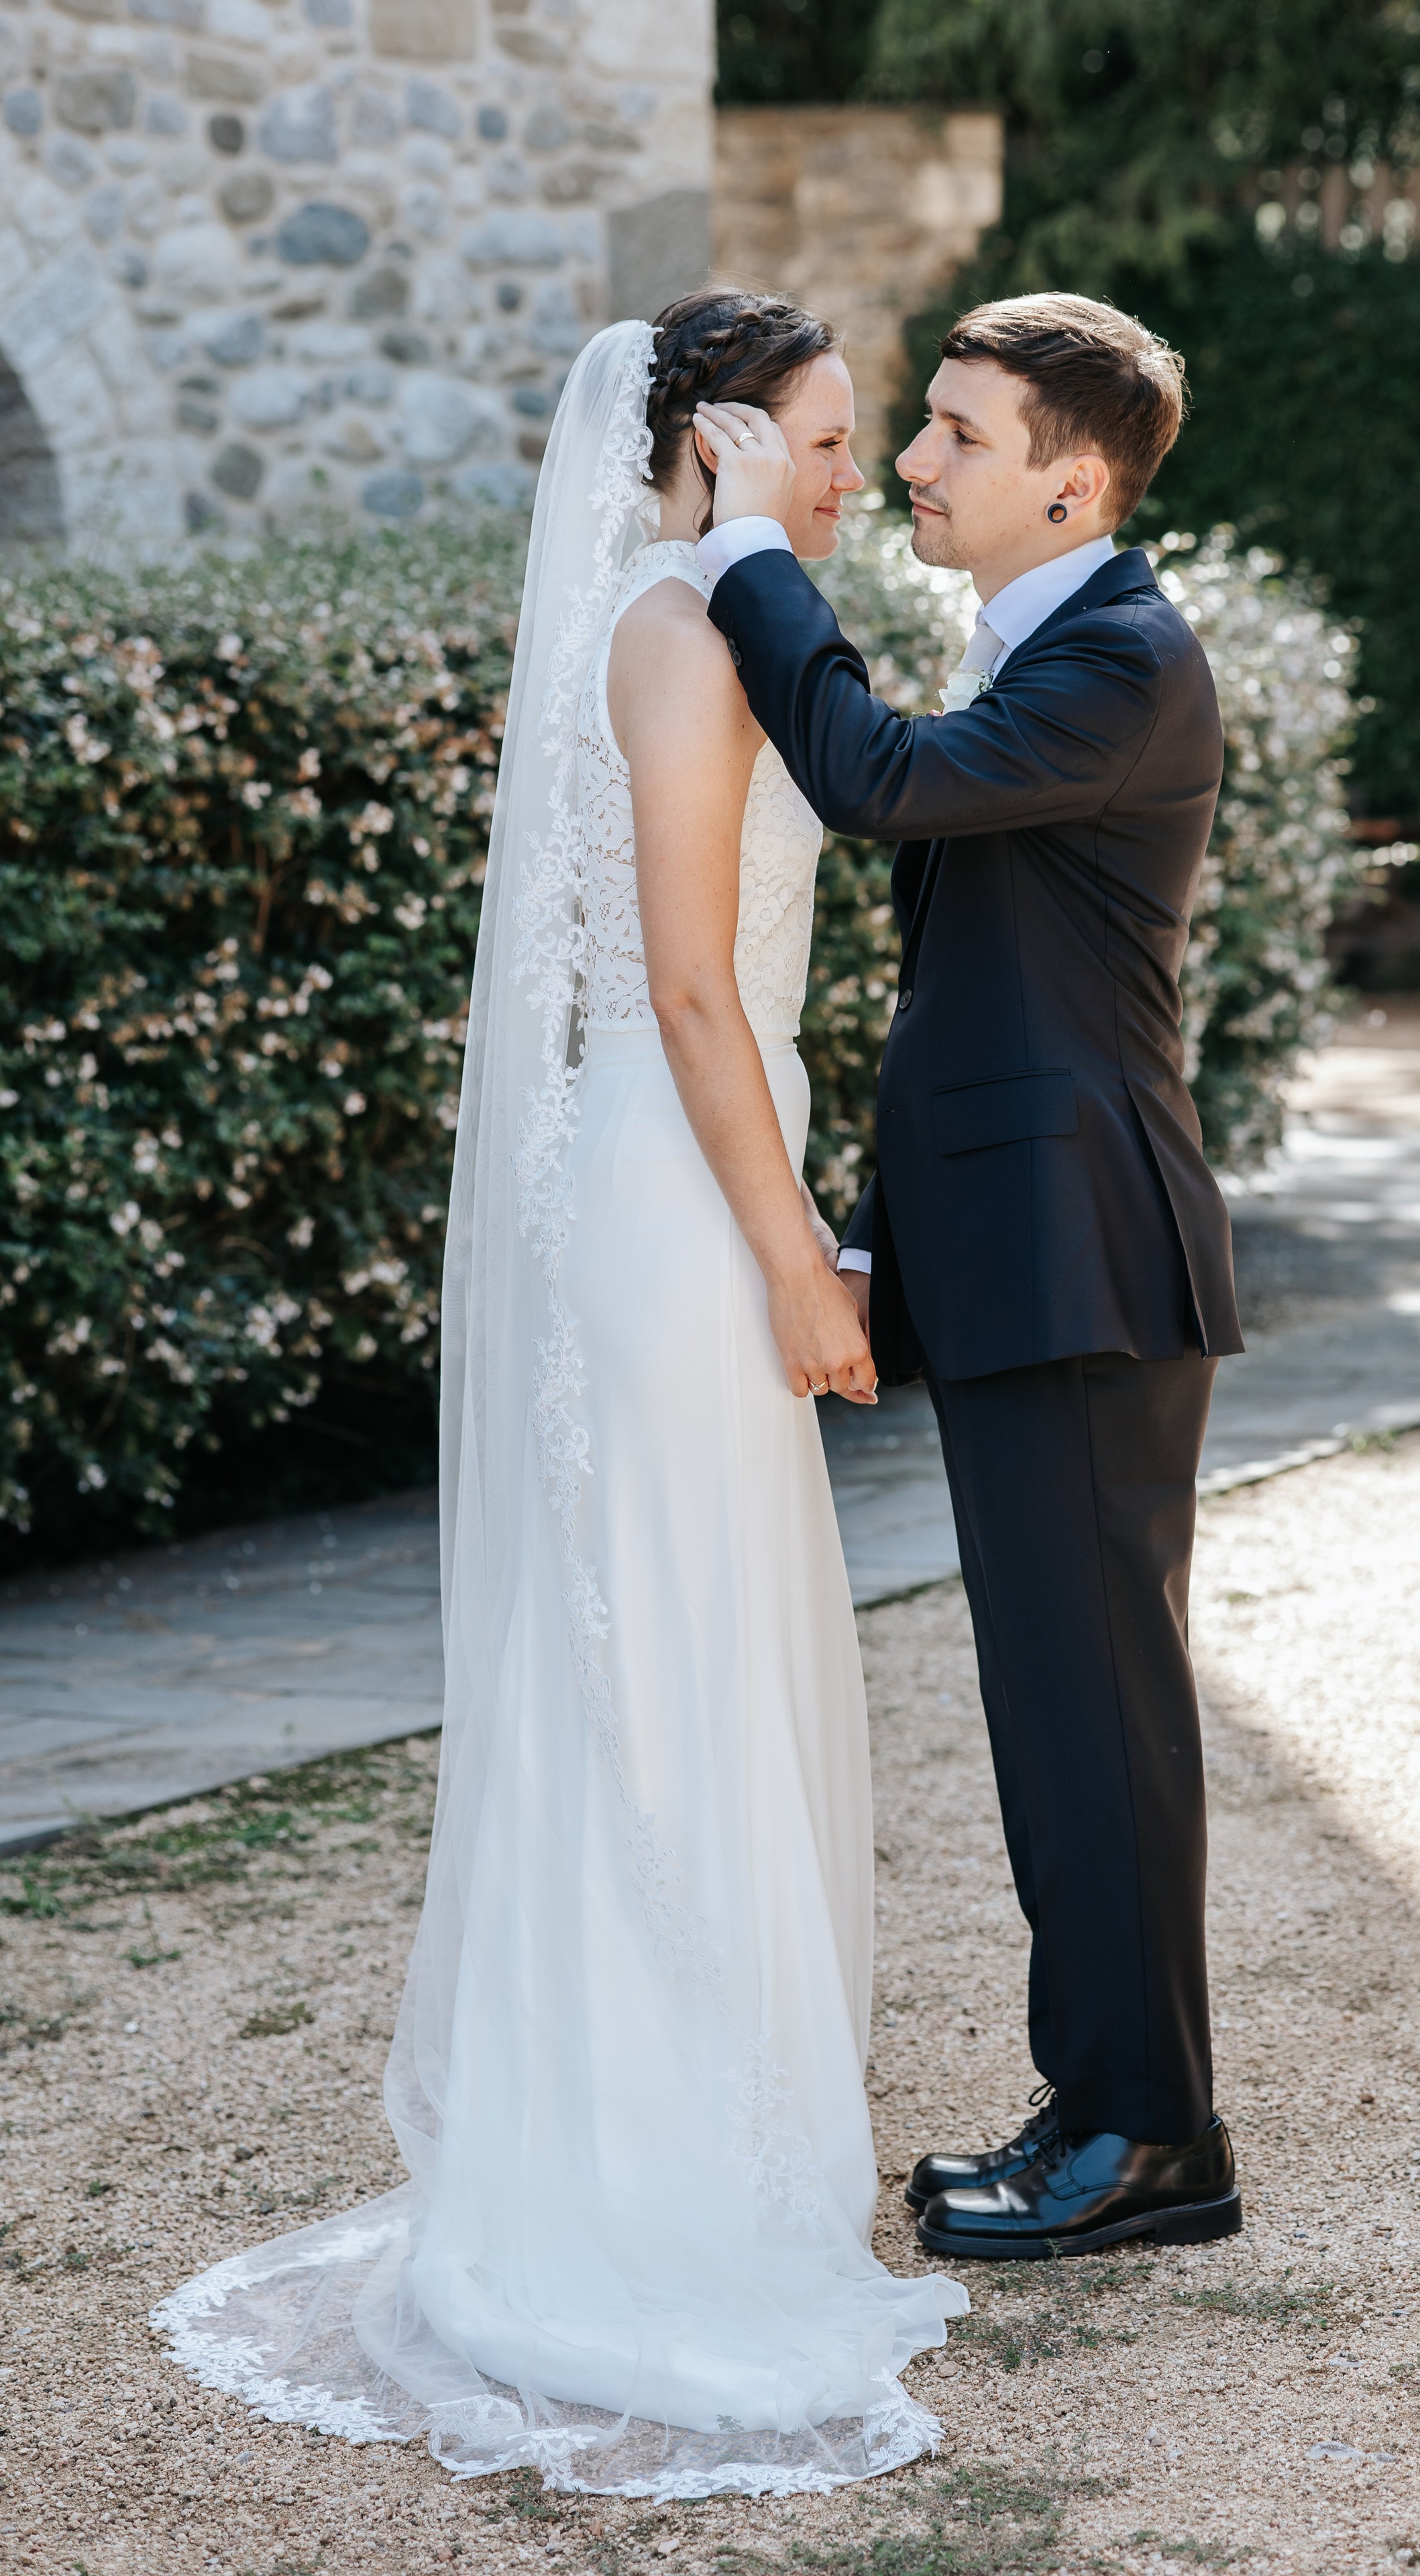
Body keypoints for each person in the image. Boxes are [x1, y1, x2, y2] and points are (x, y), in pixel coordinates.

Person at [153, 293, 965, 2500]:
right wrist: (802, 1251)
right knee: (667, 1665)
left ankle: (697, 2144)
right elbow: (693, 988)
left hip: (699, 1157)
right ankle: (647, 2191)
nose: (843, 464)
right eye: (817, 431)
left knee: (681, 1650)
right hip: (691, 1180)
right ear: (709, 436)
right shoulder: (687, 637)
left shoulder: (695, 613)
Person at [692, 290, 1245, 2261]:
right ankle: (1100, 2102)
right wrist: (875, 1249)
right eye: (917, 427)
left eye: (956, 433)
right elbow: (984, 1018)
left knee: (1095, 1716)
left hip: (1091, 1271)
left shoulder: (1123, 659)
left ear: (1070, 479)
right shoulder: (1058, 648)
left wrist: (747, 553)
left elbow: (877, 780)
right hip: (1033, 1263)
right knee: (1056, 1709)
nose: (913, 462)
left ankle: (1153, 2147)